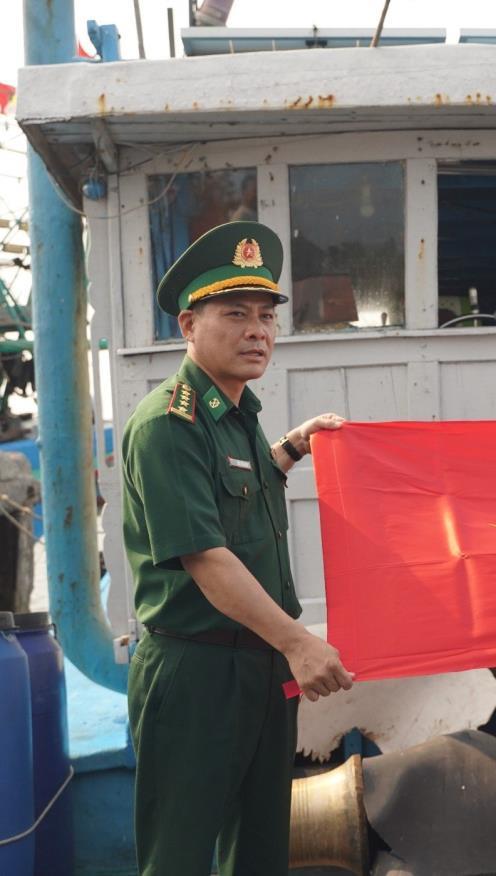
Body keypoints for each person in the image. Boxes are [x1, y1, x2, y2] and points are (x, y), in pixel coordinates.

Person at [122, 220, 355, 875]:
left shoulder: (237, 414)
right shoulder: (170, 423)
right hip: (198, 672)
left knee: (259, 850)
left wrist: (289, 448)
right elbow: (208, 558)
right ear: (188, 327)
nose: (258, 331)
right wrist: (299, 642)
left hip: (259, 667)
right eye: (234, 314)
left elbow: (240, 495)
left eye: (266, 317)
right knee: (182, 853)